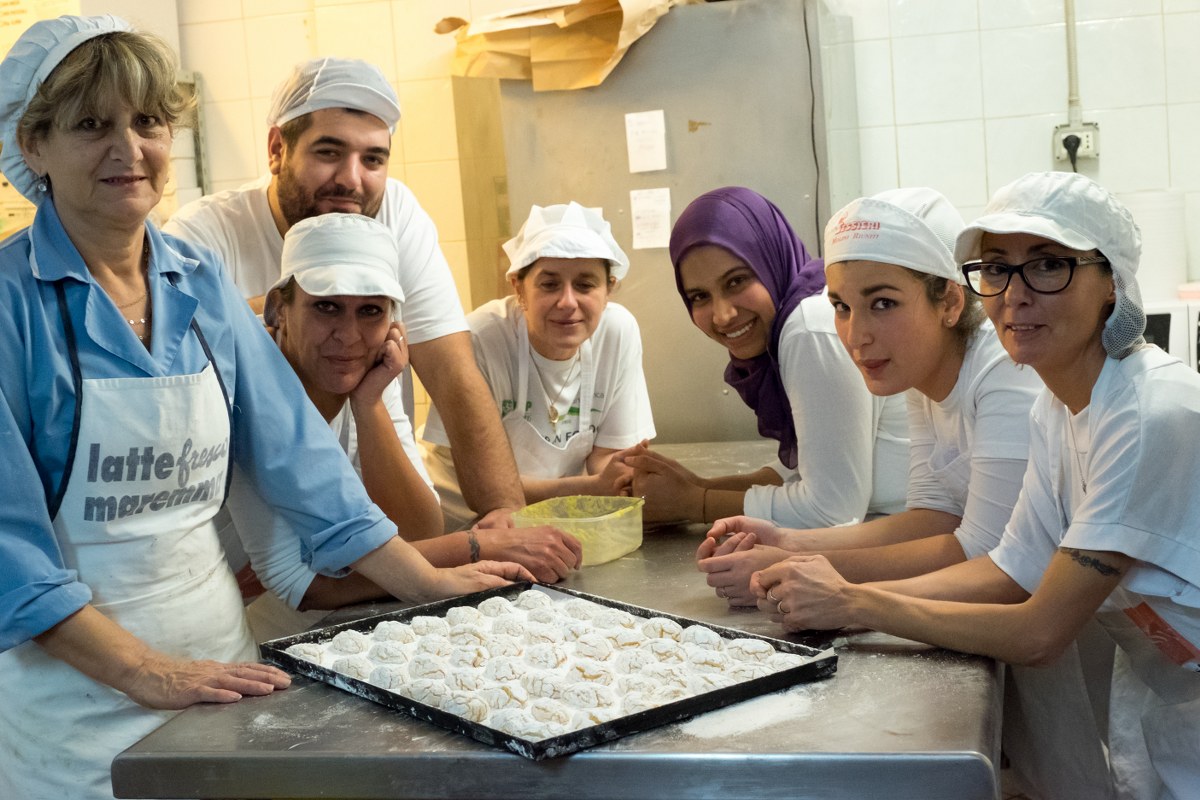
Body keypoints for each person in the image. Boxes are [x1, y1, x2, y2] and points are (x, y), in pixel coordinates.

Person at [0, 17, 529, 800]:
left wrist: (431, 586)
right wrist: (147, 672)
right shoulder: (12, 308)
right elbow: (10, 553)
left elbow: (302, 465)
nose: (130, 148)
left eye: (147, 122)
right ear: (33, 144)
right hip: (72, 705)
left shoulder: (196, 281)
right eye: (91, 124)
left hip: (220, 672)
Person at [752, 171, 1200, 799]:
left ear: (1112, 284)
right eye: (996, 269)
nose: (1014, 295)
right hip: (1173, 689)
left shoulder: (1152, 414)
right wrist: (827, 582)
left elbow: (1039, 632)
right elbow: (1010, 569)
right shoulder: (1060, 404)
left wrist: (857, 603)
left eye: (1048, 266)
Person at [163, 56, 524, 527]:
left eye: (373, 158)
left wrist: (506, 513)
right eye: (328, 152)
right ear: (276, 148)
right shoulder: (203, 237)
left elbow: (453, 374)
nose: (352, 180)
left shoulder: (393, 220)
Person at [228, 212, 581, 614]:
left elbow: (415, 530)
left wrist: (369, 403)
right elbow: (303, 584)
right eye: (326, 307)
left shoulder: (370, 367)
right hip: (218, 617)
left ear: (394, 320)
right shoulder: (250, 378)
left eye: (370, 311)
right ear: (278, 310)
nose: (348, 336)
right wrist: (477, 547)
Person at [626, 186, 909, 527]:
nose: (723, 315)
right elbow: (808, 469)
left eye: (736, 281)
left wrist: (694, 504)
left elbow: (832, 510)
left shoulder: (809, 328)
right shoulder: (800, 312)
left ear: (769, 259)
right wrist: (695, 486)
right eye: (699, 296)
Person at [421, 202, 655, 528]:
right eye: (549, 284)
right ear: (519, 288)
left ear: (609, 290)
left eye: (585, 284)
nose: (568, 302)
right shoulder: (481, 339)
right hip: (462, 522)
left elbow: (608, 459)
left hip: (554, 519)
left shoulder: (618, 333)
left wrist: (621, 478)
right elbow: (484, 486)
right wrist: (589, 489)